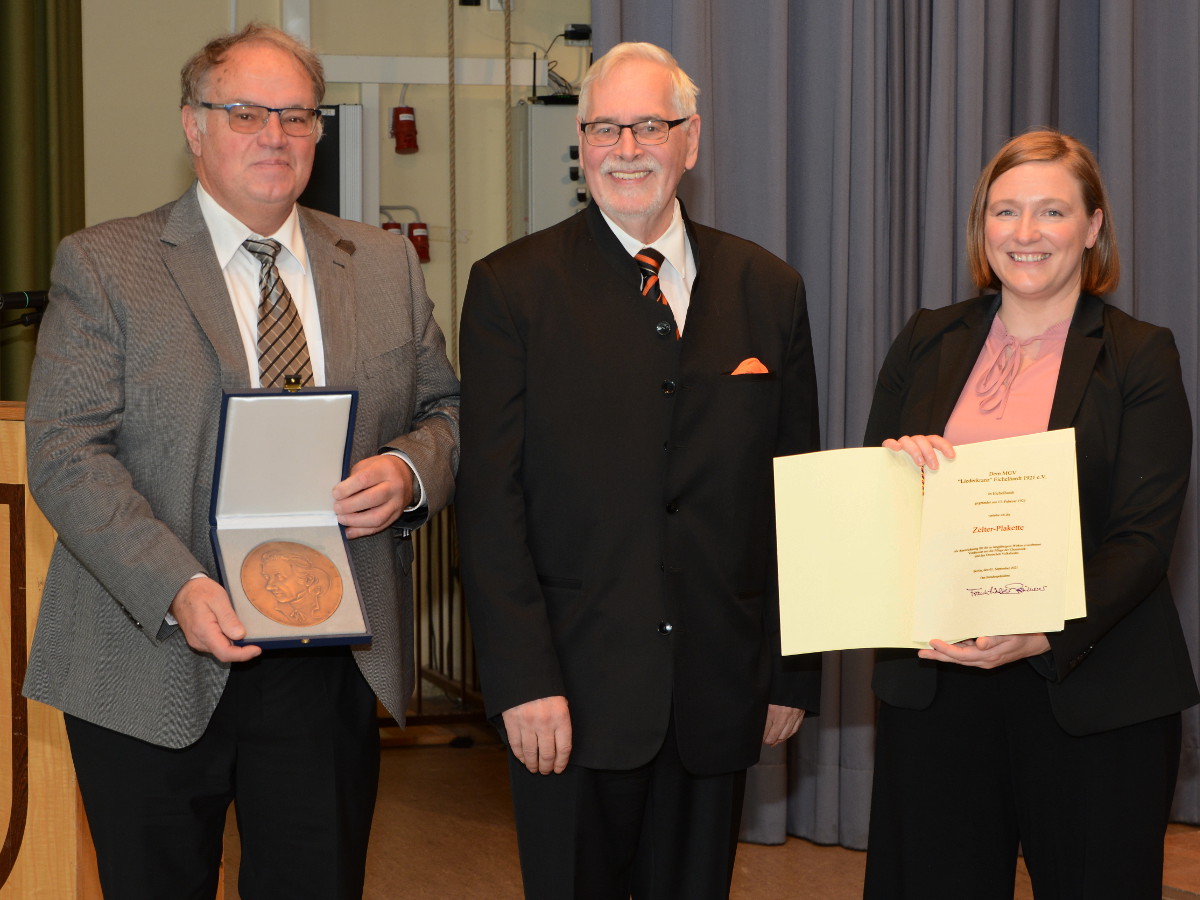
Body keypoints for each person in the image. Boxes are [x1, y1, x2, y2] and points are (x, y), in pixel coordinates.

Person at [22, 23, 459, 900]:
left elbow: (445, 410)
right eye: (246, 112)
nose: (275, 135)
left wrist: (410, 473)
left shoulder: (379, 264)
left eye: (297, 116)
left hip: (323, 655)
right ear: (193, 125)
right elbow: (66, 449)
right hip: (148, 647)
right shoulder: (106, 264)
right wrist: (178, 585)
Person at [456, 41, 822, 899]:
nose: (627, 148)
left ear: (691, 140)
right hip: (571, 698)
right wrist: (523, 681)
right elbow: (491, 502)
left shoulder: (769, 289)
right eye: (605, 128)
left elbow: (797, 495)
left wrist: (788, 669)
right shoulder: (513, 290)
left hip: (718, 688)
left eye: (649, 126)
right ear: (581, 144)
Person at [863, 129, 1198, 898]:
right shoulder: (925, 339)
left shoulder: (1141, 354)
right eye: (1006, 211)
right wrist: (897, 466)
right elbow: (874, 504)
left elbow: (1143, 541)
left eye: (1052, 211)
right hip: (939, 690)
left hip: (1089, 688)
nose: (1025, 233)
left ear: (1093, 227)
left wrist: (1045, 629)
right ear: (983, 225)